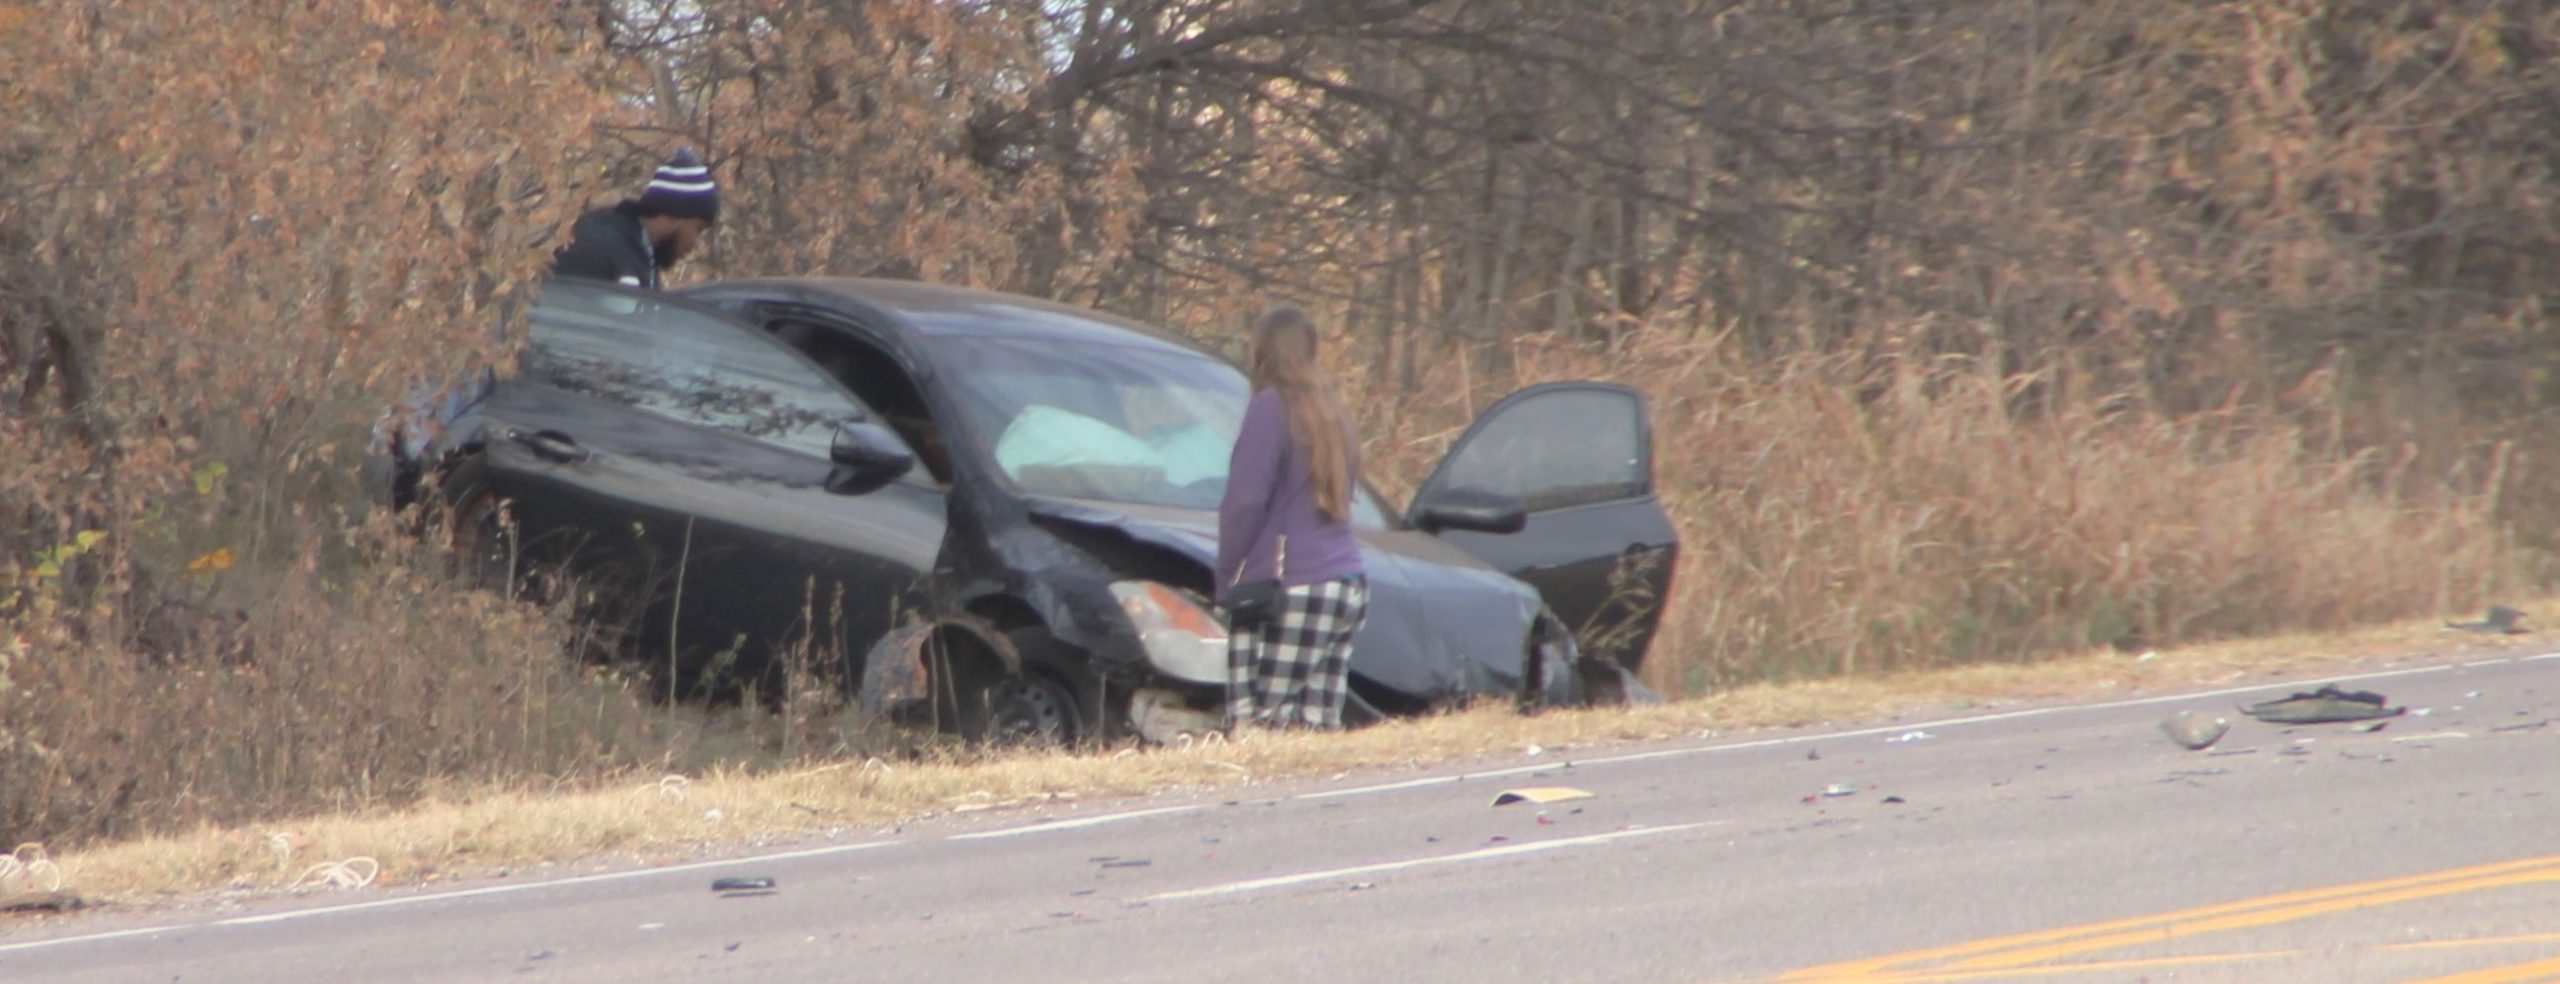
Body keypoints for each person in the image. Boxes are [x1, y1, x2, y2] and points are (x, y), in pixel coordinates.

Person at [1217, 306, 1369, 730]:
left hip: (1287, 586)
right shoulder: (1334, 414)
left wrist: (1227, 573)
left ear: (1262, 353)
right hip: (1347, 584)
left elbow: (1245, 501)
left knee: (1259, 726)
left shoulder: (1271, 407)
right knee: (1317, 727)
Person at [550, 146, 720, 289]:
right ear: (678, 214)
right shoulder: (599, 246)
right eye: (698, 229)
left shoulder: (643, 255)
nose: (695, 244)